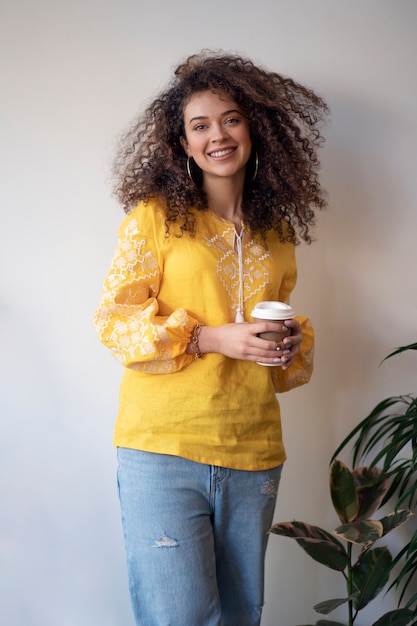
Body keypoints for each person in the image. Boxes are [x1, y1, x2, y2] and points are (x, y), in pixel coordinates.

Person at [94, 50, 328, 626]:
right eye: (199, 125)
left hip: (253, 450)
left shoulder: (277, 235)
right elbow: (113, 323)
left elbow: (278, 357)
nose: (217, 136)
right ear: (182, 144)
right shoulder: (154, 218)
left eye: (231, 119)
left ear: (255, 129)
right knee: (181, 617)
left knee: (242, 614)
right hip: (163, 450)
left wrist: (289, 343)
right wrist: (209, 339)